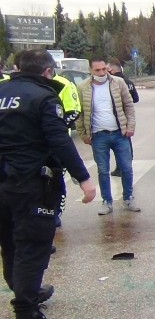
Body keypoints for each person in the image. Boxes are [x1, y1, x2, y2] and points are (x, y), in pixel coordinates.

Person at [0, 49, 96, 319]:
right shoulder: (43, 97)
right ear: (47, 71)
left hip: (3, 181)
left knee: (10, 243)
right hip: (29, 183)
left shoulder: (2, 91)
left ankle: (25, 289)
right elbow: (59, 142)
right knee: (32, 247)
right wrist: (84, 178)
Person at [76, 56, 140, 215]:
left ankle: (128, 197)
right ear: (91, 70)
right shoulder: (83, 87)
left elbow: (129, 106)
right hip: (98, 136)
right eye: (97, 70)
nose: (102, 72)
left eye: (104, 69)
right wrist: (83, 133)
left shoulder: (118, 83)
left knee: (126, 167)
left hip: (120, 134)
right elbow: (80, 113)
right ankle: (107, 201)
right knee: (103, 170)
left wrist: (130, 127)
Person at [51, 69, 82, 227]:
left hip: (58, 141)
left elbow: (74, 111)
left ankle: (56, 212)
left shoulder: (63, 84)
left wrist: (54, 126)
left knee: (56, 179)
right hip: (32, 144)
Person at [107, 59, 139, 178]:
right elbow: (136, 99)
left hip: (117, 116)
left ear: (113, 70)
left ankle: (121, 167)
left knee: (118, 143)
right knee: (126, 141)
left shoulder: (113, 83)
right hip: (127, 116)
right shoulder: (129, 82)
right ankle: (127, 163)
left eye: (108, 70)